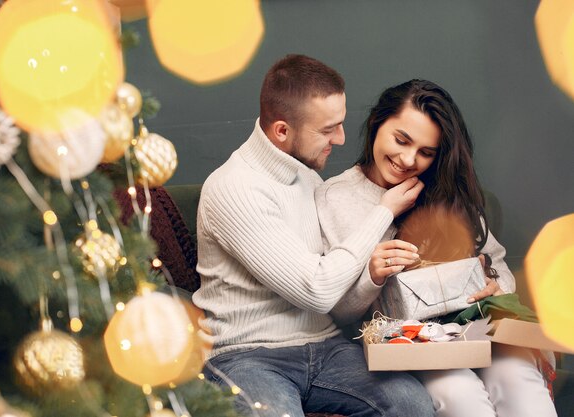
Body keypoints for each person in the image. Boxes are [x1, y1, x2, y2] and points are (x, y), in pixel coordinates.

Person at [192, 55, 435, 417]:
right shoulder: (233, 188)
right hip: (247, 354)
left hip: (325, 347)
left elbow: (335, 282)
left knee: (411, 403)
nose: (340, 139)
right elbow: (317, 290)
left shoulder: (308, 179)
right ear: (281, 131)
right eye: (327, 130)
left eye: (339, 124)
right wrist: (383, 210)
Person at [315, 79, 557, 417]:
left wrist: (495, 286)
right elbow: (335, 311)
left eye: (426, 152)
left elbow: (498, 265)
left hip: (474, 331)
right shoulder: (333, 198)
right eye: (401, 140)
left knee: (518, 379)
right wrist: (372, 275)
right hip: (402, 348)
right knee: (458, 394)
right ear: (376, 123)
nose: (408, 159)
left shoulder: (445, 191)